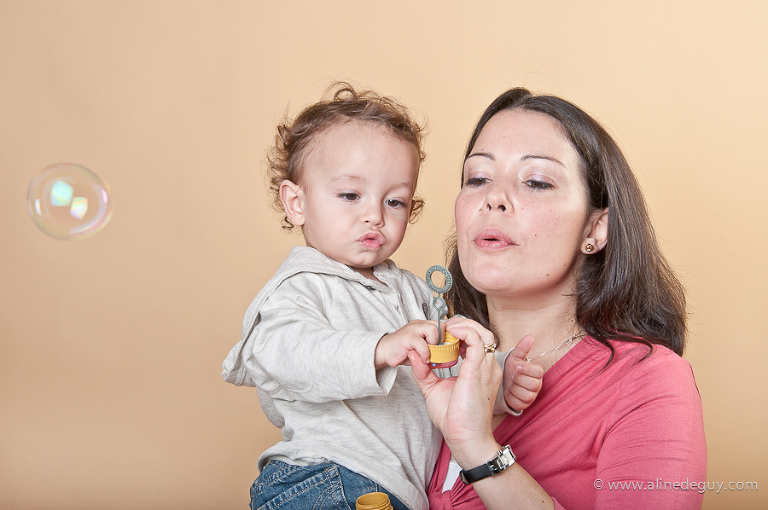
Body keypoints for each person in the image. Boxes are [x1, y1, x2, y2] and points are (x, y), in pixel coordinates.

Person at [221, 83, 543, 510]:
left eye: (394, 201)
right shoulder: (300, 285)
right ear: (296, 203)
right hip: (324, 478)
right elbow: (283, 354)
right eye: (350, 195)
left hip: (397, 493)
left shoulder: (411, 291)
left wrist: (498, 380)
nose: (374, 214)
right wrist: (379, 347)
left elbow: (440, 373)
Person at [408, 87, 707, 509]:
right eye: (477, 178)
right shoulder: (431, 366)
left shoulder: (649, 382)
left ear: (594, 230)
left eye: (536, 181)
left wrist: (478, 448)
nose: (493, 197)